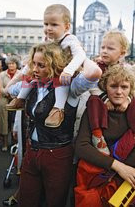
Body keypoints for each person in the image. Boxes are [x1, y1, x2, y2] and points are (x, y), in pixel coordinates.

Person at [17, 41, 101, 207]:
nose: (35, 69)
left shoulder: (71, 88)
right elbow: (7, 89)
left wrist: (77, 54)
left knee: (54, 202)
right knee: (26, 201)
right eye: (33, 64)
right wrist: (25, 71)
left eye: (41, 65)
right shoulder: (33, 83)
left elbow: (94, 72)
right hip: (31, 151)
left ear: (55, 65)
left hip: (57, 154)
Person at [6, 4, 101, 128]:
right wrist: (25, 72)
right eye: (46, 24)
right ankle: (20, 99)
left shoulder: (69, 39)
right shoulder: (48, 40)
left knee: (60, 78)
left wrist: (69, 70)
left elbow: (80, 55)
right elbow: (36, 61)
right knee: (29, 76)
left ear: (66, 27)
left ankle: (58, 108)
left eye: (54, 25)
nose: (49, 28)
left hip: (62, 73)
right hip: (51, 73)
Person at [74, 64, 135, 207]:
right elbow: (81, 146)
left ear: (131, 89)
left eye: (124, 87)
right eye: (113, 86)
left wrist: (124, 170)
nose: (119, 92)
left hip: (125, 181)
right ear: (105, 87)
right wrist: (118, 167)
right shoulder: (94, 109)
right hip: (92, 179)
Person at [87, 31, 135, 155]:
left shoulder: (125, 68)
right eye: (103, 47)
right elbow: (92, 87)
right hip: (103, 101)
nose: (104, 51)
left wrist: (127, 99)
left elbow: (132, 88)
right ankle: (97, 135)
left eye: (110, 48)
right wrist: (105, 99)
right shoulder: (97, 67)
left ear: (122, 53)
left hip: (119, 99)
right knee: (93, 100)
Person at [0, 56, 21, 151]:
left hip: (16, 99)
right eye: (9, 63)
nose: (11, 65)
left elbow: (22, 86)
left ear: (16, 65)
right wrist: (8, 93)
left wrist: (13, 95)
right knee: (4, 122)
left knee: (14, 121)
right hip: (4, 99)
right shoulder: (2, 74)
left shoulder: (20, 74)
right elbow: (0, 88)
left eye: (13, 63)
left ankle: (15, 143)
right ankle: (5, 143)